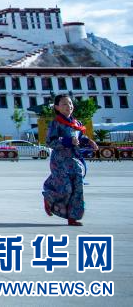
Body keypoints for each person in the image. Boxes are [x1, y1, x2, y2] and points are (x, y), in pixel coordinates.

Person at [42, 94, 98, 225]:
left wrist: (89, 141)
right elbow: (50, 142)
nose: (69, 106)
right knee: (66, 189)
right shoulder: (56, 123)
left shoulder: (76, 123)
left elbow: (80, 139)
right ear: (57, 107)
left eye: (70, 103)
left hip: (75, 161)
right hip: (60, 161)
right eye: (64, 104)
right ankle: (49, 198)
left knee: (78, 189)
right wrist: (67, 141)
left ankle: (73, 218)